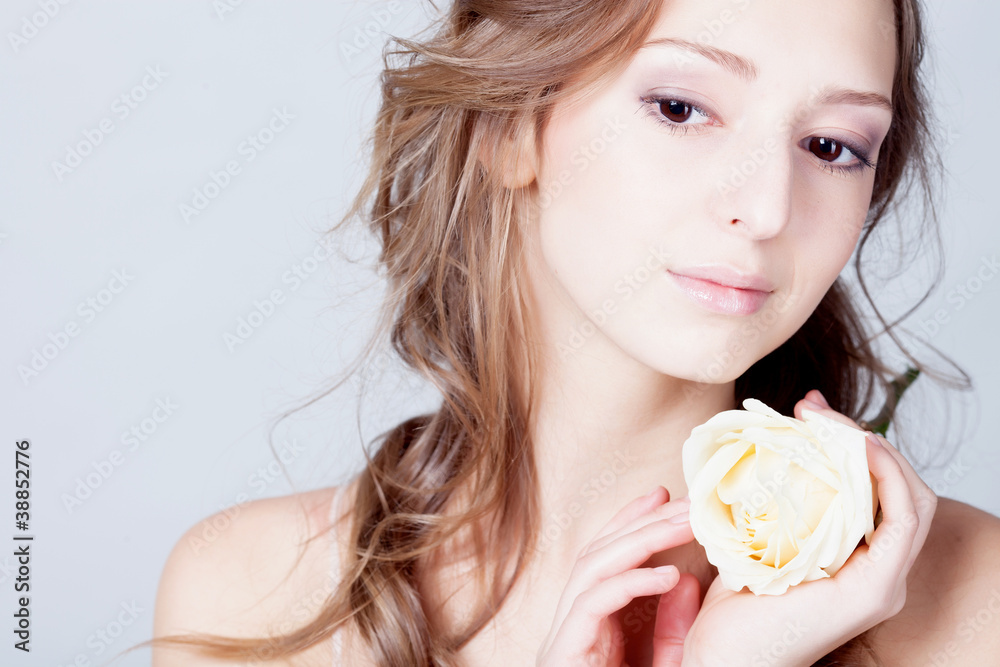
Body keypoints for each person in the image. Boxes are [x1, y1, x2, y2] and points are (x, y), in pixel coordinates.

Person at [144, 0, 1000, 665]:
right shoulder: (249, 598)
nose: (769, 206)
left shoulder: (974, 607)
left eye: (833, 146)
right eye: (680, 107)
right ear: (509, 122)